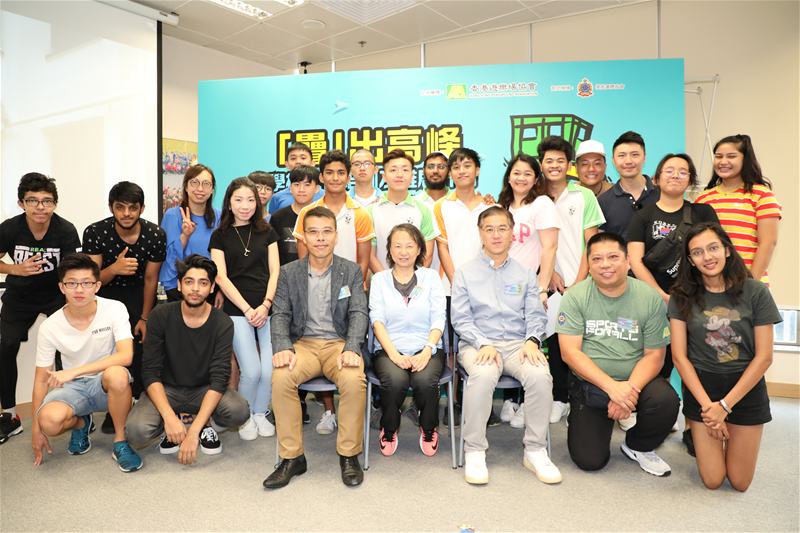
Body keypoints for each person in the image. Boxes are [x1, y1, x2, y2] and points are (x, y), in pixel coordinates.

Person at [668, 223, 781, 491]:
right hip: (703, 387)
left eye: (713, 248)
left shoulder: (756, 291)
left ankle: (730, 430)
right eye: (697, 252)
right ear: (690, 260)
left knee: (739, 482)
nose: (707, 257)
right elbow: (679, 357)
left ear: (727, 250)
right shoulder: (681, 295)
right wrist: (710, 408)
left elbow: (764, 357)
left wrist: (725, 407)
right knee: (713, 480)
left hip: (745, 386)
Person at [556, 232, 680, 476]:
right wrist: (613, 388)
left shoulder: (649, 298)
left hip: (637, 382)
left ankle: (637, 445)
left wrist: (628, 392)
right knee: (590, 461)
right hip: (591, 385)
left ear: (628, 261)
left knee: (666, 401)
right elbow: (570, 353)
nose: (605, 264)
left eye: (613, 257)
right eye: (597, 259)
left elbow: (655, 356)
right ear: (589, 265)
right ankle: (584, 416)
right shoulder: (575, 296)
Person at [452, 206, 560, 485]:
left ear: (512, 233)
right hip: (477, 344)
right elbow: (461, 319)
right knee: (483, 374)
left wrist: (533, 340)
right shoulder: (464, 273)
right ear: (480, 234)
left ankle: (535, 450)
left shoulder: (525, 274)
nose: (496, 235)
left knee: (540, 375)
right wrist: (482, 343)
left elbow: (536, 315)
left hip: (517, 344)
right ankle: (475, 450)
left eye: (502, 228)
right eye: (489, 229)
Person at [265, 206, 368, 488]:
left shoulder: (351, 270)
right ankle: (292, 458)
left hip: (339, 344)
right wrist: (283, 346)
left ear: (336, 235)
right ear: (304, 237)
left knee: (354, 380)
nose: (320, 238)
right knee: (281, 378)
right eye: (313, 232)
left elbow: (359, 312)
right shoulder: (288, 273)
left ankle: (349, 455)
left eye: (326, 231)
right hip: (304, 345)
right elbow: (280, 314)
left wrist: (352, 347)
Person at [126, 254, 250, 463]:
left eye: (203, 283)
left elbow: (219, 378)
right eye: (189, 282)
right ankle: (172, 424)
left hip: (203, 389)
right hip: (166, 388)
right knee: (136, 433)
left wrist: (193, 432)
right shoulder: (160, 315)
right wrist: (168, 417)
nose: (195, 289)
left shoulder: (222, 322)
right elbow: (150, 371)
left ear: (212, 288)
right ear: (179, 285)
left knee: (239, 411)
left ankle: (203, 424)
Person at [30, 253, 142, 471]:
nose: (79, 290)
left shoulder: (115, 309)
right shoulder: (49, 326)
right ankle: (82, 423)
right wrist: (36, 429)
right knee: (49, 422)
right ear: (62, 287)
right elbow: (41, 380)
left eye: (86, 283)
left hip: (105, 384)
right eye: (71, 283)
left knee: (118, 374)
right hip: (73, 388)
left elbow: (126, 356)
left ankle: (120, 441)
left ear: (97, 286)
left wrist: (74, 371)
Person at [293, 150, 375, 434]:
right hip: (315, 293)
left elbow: (364, 260)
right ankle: (328, 410)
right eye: (329, 172)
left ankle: (354, 411)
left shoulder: (360, 213)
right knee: (319, 341)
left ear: (348, 177)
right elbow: (302, 261)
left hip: (351, 292)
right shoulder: (307, 213)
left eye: (341, 172)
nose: (335, 178)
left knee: (348, 350)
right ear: (321, 176)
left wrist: (346, 291)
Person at [0, 173, 81, 443]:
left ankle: (72, 407)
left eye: (47, 201)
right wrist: (15, 269)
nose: (40, 207)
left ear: (55, 204)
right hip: (19, 296)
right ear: (21, 203)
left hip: (55, 295)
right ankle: (10, 416)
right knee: (6, 345)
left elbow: (72, 271)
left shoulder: (65, 229)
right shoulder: (9, 229)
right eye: (32, 200)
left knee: (67, 348)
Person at [628, 154, 719, 386]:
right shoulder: (643, 216)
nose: (675, 175)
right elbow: (635, 261)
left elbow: (713, 255)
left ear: (690, 180)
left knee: (697, 363)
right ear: (656, 179)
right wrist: (662, 296)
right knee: (660, 362)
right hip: (652, 300)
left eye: (682, 171)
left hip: (696, 300)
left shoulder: (703, 213)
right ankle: (663, 404)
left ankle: (696, 410)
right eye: (669, 171)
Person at [82, 181, 166, 433]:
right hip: (104, 294)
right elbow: (91, 280)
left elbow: (151, 279)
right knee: (109, 351)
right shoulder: (95, 232)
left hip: (140, 294)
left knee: (139, 349)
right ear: (111, 208)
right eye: (120, 207)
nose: (126, 213)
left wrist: (145, 318)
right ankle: (114, 407)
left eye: (132, 207)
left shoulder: (155, 234)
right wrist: (114, 269)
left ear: (142, 208)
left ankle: (140, 404)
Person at [536, 136, 605, 426]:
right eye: (548, 160)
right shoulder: (534, 195)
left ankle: (577, 400)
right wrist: (549, 273)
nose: (554, 165)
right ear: (541, 164)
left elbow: (592, 243)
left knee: (577, 343)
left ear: (569, 165)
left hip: (579, 281)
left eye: (560, 161)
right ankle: (558, 398)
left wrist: (579, 280)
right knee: (550, 342)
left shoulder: (584, 196)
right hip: (544, 280)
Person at [209, 177, 280, 440]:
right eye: (238, 200)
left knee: (270, 370)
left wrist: (266, 304)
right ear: (229, 203)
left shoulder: (267, 231)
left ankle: (260, 412)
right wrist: (248, 309)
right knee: (250, 370)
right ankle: (245, 415)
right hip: (236, 310)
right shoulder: (219, 236)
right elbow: (220, 277)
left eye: (251, 200)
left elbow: (275, 271)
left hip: (267, 307)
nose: (245, 205)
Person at [370, 224, 446, 457]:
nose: (403, 252)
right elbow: (377, 321)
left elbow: (439, 317)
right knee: (394, 382)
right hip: (389, 349)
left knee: (426, 382)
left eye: (409, 246)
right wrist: (394, 355)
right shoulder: (379, 280)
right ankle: (389, 428)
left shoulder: (431, 277)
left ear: (419, 249)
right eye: (397, 246)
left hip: (427, 347)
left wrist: (427, 350)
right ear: (389, 250)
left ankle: (429, 428)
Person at [496, 152, 559, 427]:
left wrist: (541, 288)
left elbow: (550, 248)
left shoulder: (542, 204)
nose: (521, 178)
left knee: (530, 343)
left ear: (536, 179)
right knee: (506, 339)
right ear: (508, 177)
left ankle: (526, 405)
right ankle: (512, 399)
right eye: (516, 173)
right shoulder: (501, 206)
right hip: (499, 286)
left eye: (527, 174)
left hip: (528, 286)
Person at [695, 134, 781, 285]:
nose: (723, 162)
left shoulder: (761, 195)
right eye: (718, 156)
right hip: (711, 286)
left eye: (731, 156)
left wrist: (750, 283)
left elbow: (768, 243)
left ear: (745, 159)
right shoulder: (703, 198)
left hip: (748, 283)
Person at [158, 164, 222, 303]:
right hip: (179, 286)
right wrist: (185, 236)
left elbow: (225, 257)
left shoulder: (220, 216)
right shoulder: (172, 215)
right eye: (194, 183)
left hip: (210, 286)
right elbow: (167, 258)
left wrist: (222, 290)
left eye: (206, 184)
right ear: (186, 187)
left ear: (212, 189)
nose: (200, 189)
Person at [367, 148, 436, 273]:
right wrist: (387, 281)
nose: (399, 174)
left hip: (415, 282)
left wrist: (411, 280)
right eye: (393, 170)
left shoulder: (424, 210)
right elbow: (370, 256)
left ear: (412, 176)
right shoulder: (371, 211)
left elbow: (427, 254)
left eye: (405, 170)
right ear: (384, 177)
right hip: (381, 282)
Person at [597, 131, 659, 239]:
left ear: (644, 157)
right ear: (613, 160)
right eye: (622, 155)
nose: (628, 161)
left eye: (634, 155)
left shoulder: (662, 195)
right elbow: (600, 243)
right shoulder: (603, 201)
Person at [270, 165, 321, 267]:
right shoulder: (278, 217)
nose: (301, 189)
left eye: (307, 185)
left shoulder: (323, 217)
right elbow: (272, 252)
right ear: (290, 188)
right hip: (284, 273)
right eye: (297, 184)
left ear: (317, 188)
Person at [413, 151, 451, 277]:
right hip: (418, 277)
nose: (435, 171)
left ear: (449, 171)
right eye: (431, 167)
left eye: (441, 167)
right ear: (423, 171)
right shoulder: (413, 203)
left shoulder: (457, 202)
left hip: (452, 277)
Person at [268, 142, 324, 213]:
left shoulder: (325, 196)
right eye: (293, 158)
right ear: (287, 164)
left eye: (303, 158)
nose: (298, 161)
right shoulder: (277, 198)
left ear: (313, 163)